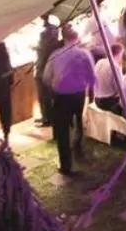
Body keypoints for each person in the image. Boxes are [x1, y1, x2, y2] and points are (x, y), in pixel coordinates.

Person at [41, 28, 98, 176]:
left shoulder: (55, 55)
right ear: (77, 38)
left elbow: (46, 77)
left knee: (62, 129)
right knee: (78, 120)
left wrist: (54, 85)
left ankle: (65, 164)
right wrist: (89, 90)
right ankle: (78, 148)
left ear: (63, 38)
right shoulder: (84, 54)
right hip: (78, 94)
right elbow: (92, 76)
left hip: (61, 95)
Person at [31, 18, 63, 128]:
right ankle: (49, 116)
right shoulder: (56, 37)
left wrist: (36, 48)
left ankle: (47, 118)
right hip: (52, 71)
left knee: (44, 96)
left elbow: (43, 53)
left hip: (42, 71)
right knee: (49, 96)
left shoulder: (44, 37)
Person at [92, 42, 126, 114]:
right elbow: (119, 88)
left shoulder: (99, 62)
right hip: (109, 102)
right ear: (119, 54)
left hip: (97, 99)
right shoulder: (115, 66)